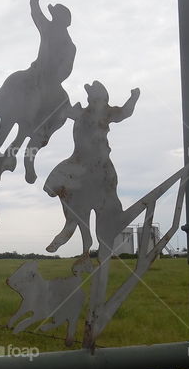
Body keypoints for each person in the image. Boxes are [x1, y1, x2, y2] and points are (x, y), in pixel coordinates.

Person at [0, 0, 75, 184]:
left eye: (55, 16)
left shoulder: (66, 43)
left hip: (48, 84)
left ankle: (17, 155)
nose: (52, 18)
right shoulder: (50, 29)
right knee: (14, 90)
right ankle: (0, 146)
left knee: (30, 120)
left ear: (61, 20)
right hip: (35, 76)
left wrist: (51, 79)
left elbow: (66, 70)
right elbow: (36, 14)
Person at [44, 82, 140, 254]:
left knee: (104, 202)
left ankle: (90, 233)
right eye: (90, 97)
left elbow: (125, 112)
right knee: (60, 190)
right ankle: (70, 228)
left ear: (102, 98)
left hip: (99, 164)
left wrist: (133, 98)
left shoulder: (106, 112)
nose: (91, 100)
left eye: (94, 97)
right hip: (78, 162)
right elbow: (62, 111)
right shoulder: (82, 112)